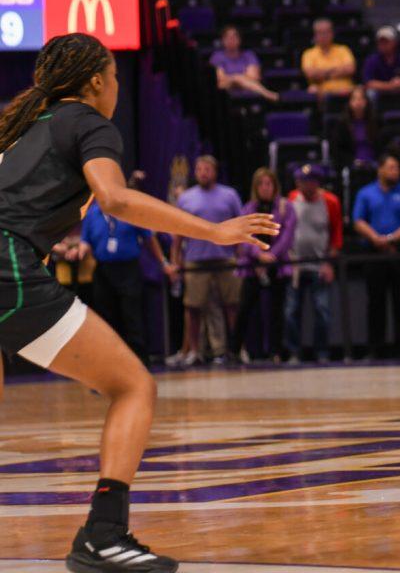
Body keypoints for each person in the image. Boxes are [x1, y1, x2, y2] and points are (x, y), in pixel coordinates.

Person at [0, 32, 275, 571]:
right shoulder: (88, 121)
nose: (119, 88)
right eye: (117, 77)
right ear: (98, 80)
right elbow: (117, 198)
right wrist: (214, 232)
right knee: (133, 386)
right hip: (7, 269)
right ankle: (104, 533)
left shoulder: (20, 132)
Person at [78, 173, 177, 364]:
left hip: (128, 270)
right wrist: (80, 251)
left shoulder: (128, 211)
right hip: (103, 271)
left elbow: (149, 239)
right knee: (106, 319)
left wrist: (163, 262)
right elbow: (86, 241)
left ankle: (140, 363)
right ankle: (110, 365)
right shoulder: (92, 213)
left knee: (132, 316)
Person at [171, 156, 245, 366]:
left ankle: (235, 349)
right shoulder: (186, 198)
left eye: (208, 169)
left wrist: (240, 257)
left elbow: (239, 227)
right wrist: (176, 261)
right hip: (195, 261)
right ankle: (195, 351)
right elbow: (178, 233)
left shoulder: (229, 195)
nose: (203, 172)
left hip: (225, 259)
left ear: (215, 171)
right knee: (193, 307)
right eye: (200, 169)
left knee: (232, 305)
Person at [353, 152, 400, 359]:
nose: (396, 171)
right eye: (391, 167)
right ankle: (376, 349)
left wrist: (391, 239)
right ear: (380, 169)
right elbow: (358, 220)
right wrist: (376, 238)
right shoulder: (366, 193)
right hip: (374, 253)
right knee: (375, 302)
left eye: (398, 168)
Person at [230, 168, 296, 364]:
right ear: (255, 187)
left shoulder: (286, 208)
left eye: (269, 184)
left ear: (275, 186)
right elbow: (243, 238)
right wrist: (259, 255)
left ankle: (275, 351)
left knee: (277, 311)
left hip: (278, 266)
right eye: (261, 184)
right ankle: (235, 350)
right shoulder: (248, 209)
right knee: (245, 309)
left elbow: (288, 235)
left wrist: (272, 255)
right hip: (252, 267)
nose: (265, 188)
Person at [285, 165, 342, 363]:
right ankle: (294, 352)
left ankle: (322, 352)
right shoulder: (291, 200)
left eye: (310, 181)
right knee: (292, 311)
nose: (306, 185)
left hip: (320, 264)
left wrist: (329, 264)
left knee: (322, 311)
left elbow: (336, 236)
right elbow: (285, 231)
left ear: (317, 182)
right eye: (302, 181)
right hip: (296, 266)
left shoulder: (331, 202)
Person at [330, 85, 397, 171]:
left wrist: (379, 162)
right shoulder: (342, 125)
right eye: (354, 99)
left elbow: (385, 145)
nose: (358, 102)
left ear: (366, 102)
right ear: (349, 102)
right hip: (351, 167)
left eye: (361, 99)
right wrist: (352, 162)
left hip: (376, 165)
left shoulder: (377, 122)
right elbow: (338, 150)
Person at [209, 25, 278, 101]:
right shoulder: (216, 57)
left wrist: (235, 79)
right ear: (222, 40)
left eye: (234, 37)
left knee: (243, 80)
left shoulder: (249, 55)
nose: (231, 40)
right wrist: (237, 78)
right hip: (225, 90)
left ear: (239, 39)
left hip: (248, 90)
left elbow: (254, 77)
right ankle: (267, 94)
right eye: (227, 37)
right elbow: (220, 79)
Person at [362, 25, 400, 107]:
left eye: (386, 41)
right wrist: (390, 86)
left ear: (394, 42)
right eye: (380, 42)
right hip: (380, 91)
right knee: (370, 94)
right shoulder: (371, 60)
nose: (383, 44)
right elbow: (369, 83)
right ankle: (373, 118)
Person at [301, 17, 356, 96]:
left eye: (326, 32)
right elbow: (310, 74)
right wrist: (337, 71)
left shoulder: (343, 50)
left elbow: (350, 69)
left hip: (345, 91)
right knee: (312, 91)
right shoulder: (308, 54)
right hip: (322, 93)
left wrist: (323, 74)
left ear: (332, 33)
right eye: (320, 32)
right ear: (315, 35)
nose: (324, 35)